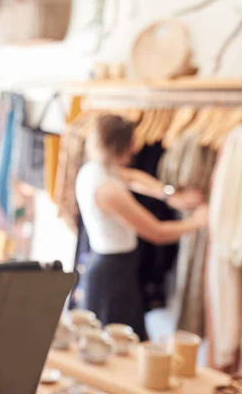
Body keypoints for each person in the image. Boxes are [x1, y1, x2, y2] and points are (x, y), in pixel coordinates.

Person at [75, 114, 208, 340]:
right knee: (119, 349)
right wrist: (195, 223)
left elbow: (134, 178)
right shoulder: (107, 191)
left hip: (113, 268)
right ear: (120, 146)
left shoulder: (94, 169)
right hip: (113, 274)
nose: (136, 150)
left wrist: (170, 196)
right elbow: (156, 232)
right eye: (131, 144)